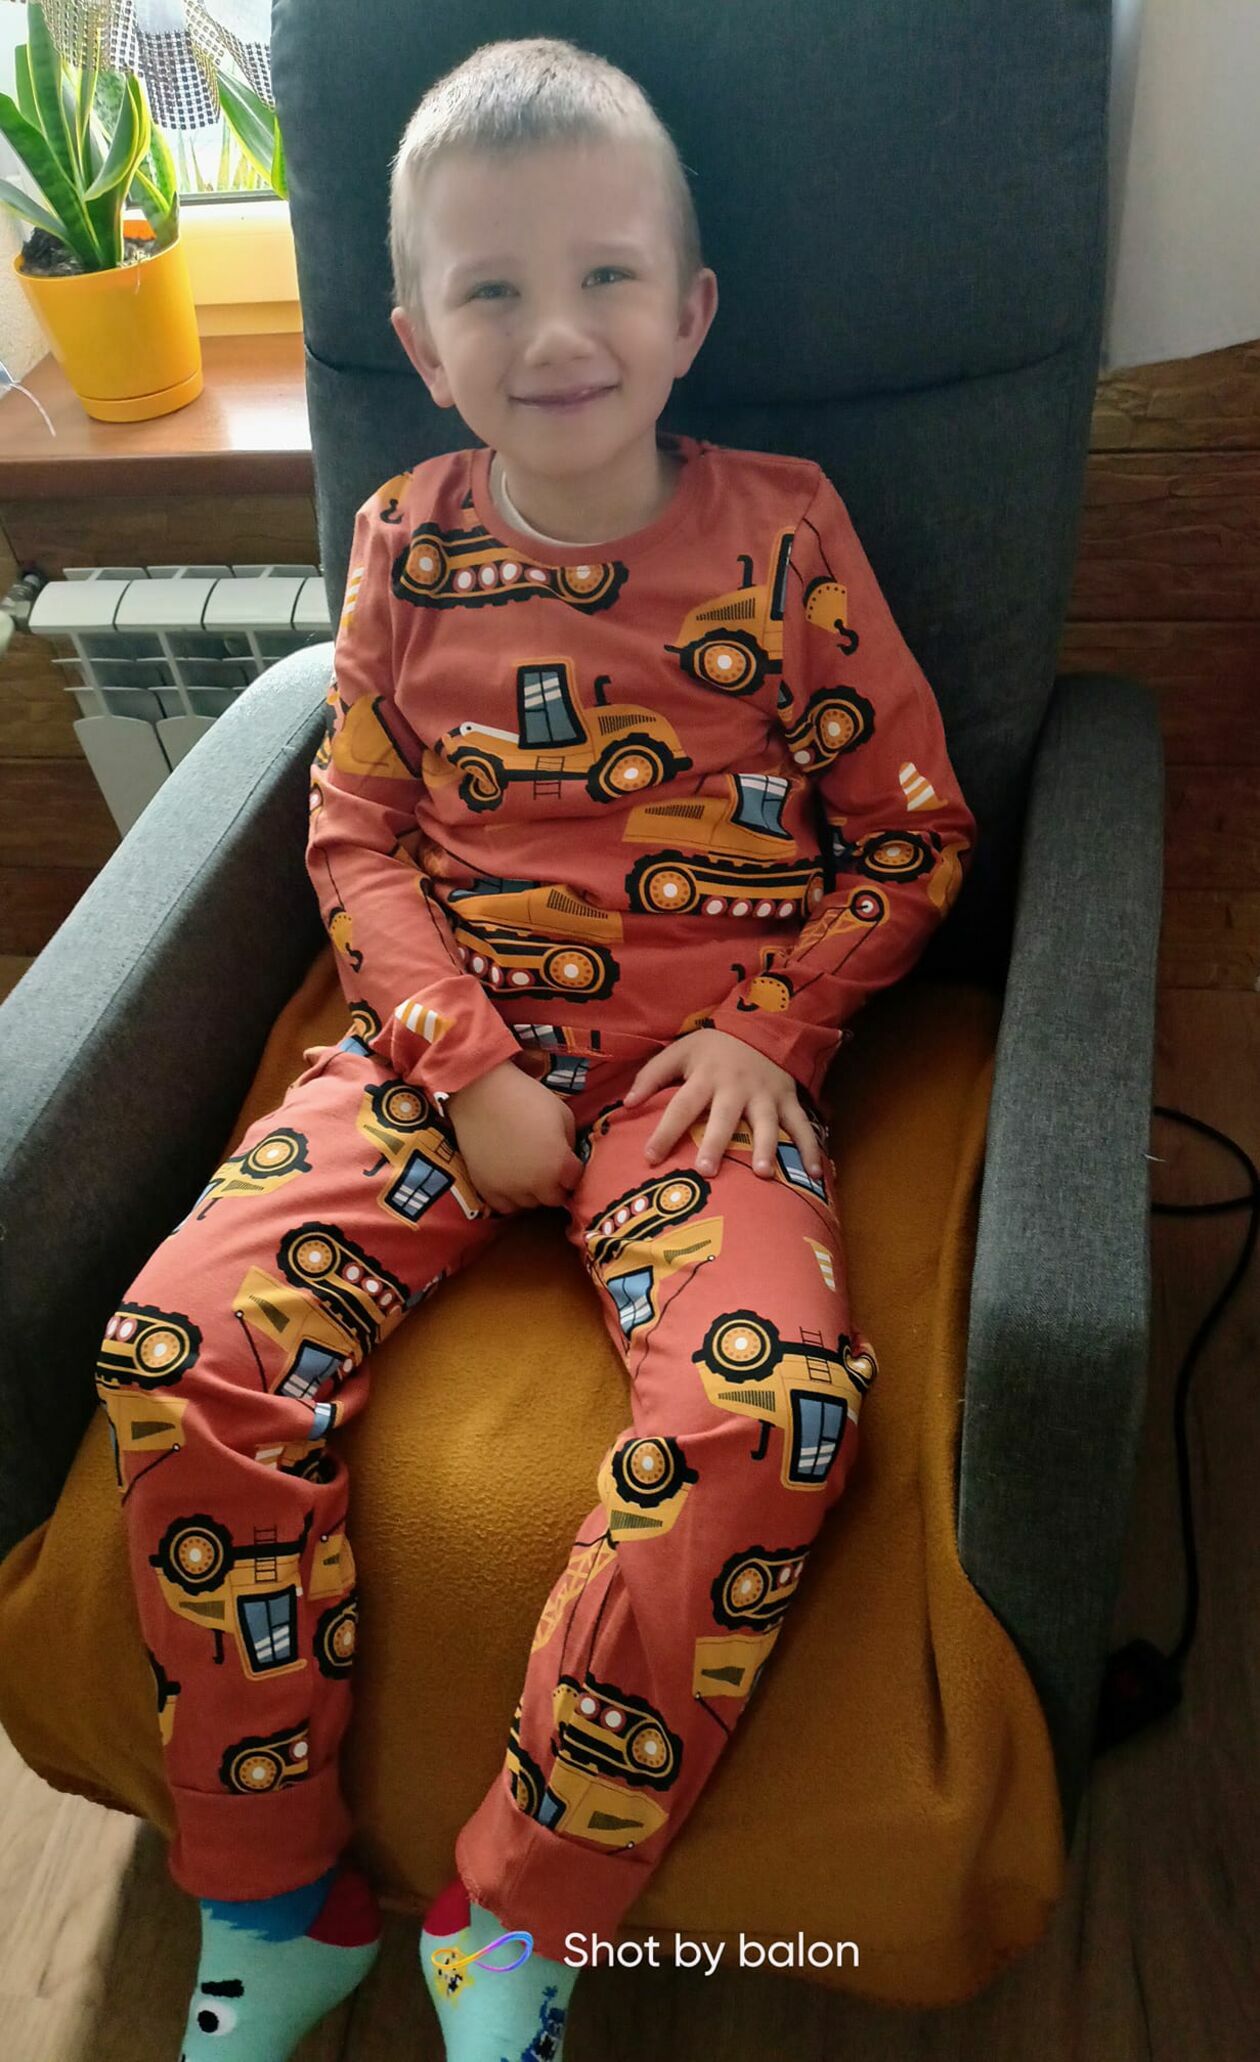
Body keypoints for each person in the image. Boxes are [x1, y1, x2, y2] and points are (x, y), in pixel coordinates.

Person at [96, 33, 977, 2062]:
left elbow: (914, 826)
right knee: (176, 1350)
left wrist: (776, 1024)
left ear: (690, 315)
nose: (557, 332)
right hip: (436, 1049)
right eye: (493, 289)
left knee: (774, 1413)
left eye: (605, 278)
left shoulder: (784, 532)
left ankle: (514, 1915)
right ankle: (275, 1895)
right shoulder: (403, 541)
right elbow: (354, 828)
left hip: (699, 1074)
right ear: (420, 341)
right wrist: (463, 1062)